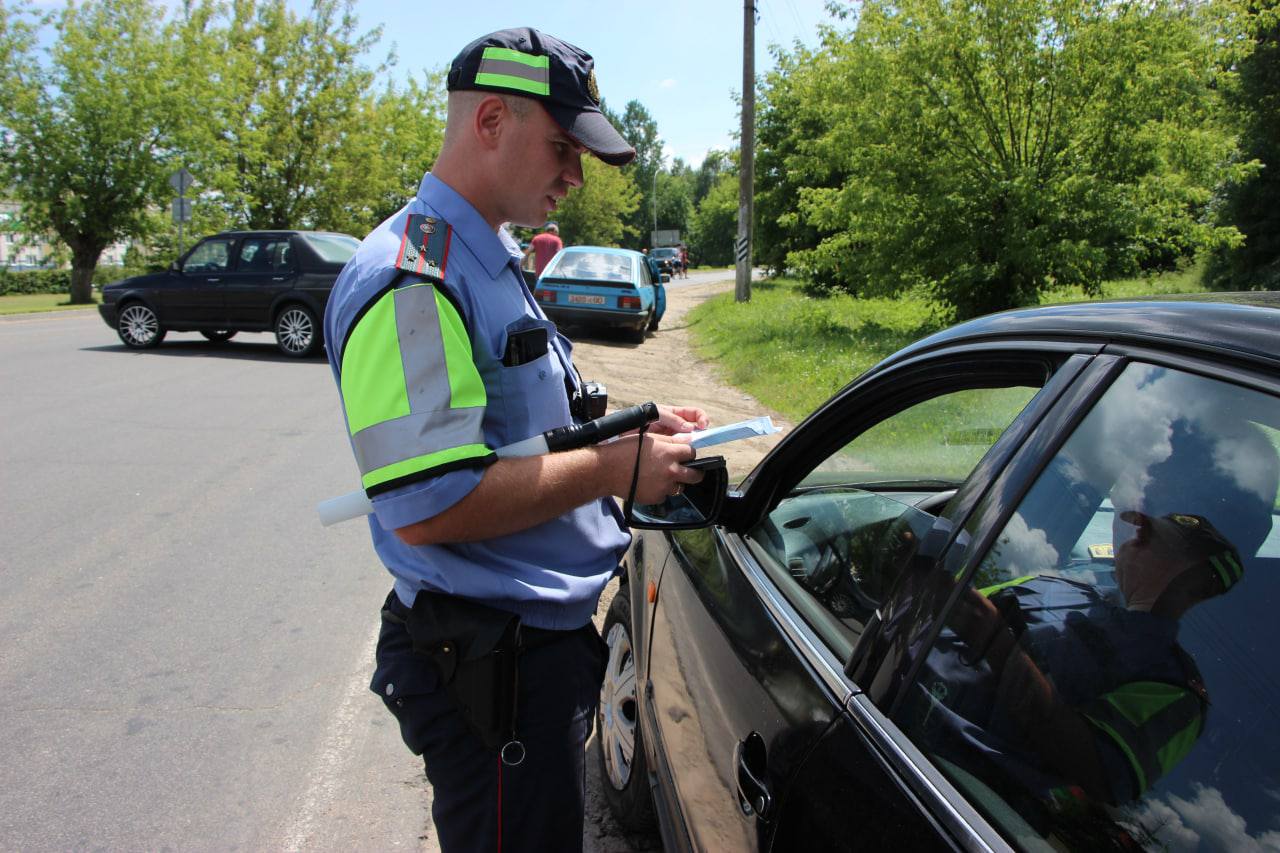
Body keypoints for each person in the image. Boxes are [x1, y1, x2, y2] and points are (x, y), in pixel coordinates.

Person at [322, 28, 709, 852]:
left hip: (529, 650)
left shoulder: (479, 255)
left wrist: (626, 432)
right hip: (495, 664)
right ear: (491, 120)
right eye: (563, 148)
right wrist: (613, 469)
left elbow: (519, 432)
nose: (575, 175)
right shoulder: (413, 276)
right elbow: (429, 504)